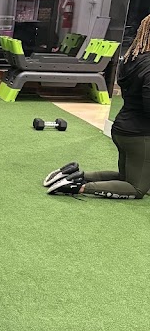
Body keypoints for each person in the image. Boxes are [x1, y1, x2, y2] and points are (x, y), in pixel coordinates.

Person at [45, 15, 150, 199]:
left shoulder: (132, 58)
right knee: (137, 188)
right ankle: (76, 187)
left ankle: (73, 176)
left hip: (122, 129)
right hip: (139, 135)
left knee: (126, 178)